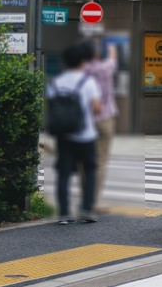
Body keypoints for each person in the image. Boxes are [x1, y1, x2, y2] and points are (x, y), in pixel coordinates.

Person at [49, 42, 102, 224]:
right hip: (86, 135)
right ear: (82, 61)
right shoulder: (88, 82)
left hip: (63, 135)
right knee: (90, 170)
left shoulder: (55, 82)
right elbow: (96, 108)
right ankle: (86, 209)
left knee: (64, 173)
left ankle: (64, 213)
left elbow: (52, 106)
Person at [83, 39, 119, 204]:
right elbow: (113, 60)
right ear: (97, 54)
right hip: (105, 118)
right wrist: (111, 48)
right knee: (101, 160)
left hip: (86, 119)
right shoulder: (105, 68)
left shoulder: (82, 70)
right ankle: (91, 200)